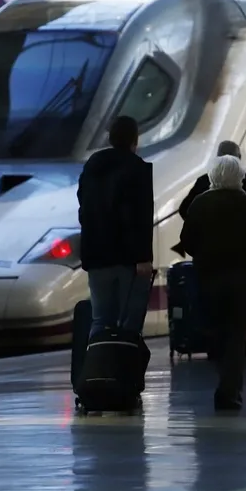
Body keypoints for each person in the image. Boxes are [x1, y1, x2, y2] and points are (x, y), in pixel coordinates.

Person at [180, 155, 246, 411]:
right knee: (236, 337)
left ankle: (225, 383)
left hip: (208, 279)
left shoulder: (199, 204)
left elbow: (187, 242)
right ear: (239, 176)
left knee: (217, 334)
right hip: (242, 281)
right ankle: (229, 391)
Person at [78, 115, 155, 337]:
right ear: (135, 140)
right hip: (128, 259)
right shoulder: (138, 168)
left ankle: (98, 367)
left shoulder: (92, 166)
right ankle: (125, 368)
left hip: (96, 256)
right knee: (129, 322)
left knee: (100, 320)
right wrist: (143, 257)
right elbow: (140, 215)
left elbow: (83, 206)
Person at [179, 140, 246, 219]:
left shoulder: (204, 181)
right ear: (239, 158)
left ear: (218, 158)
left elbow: (184, 209)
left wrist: (199, 229)